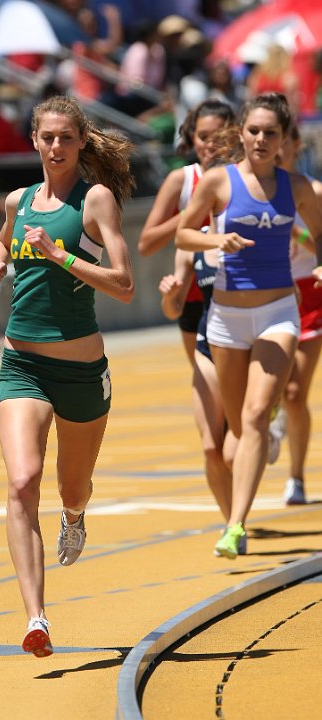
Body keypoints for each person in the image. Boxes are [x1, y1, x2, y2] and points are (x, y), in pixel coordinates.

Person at [0, 95, 135, 657]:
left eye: (65, 138)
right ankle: (36, 618)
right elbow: (4, 236)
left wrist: (61, 256)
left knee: (72, 486)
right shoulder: (18, 199)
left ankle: (75, 515)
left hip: (81, 371)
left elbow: (124, 283)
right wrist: (0, 257)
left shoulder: (94, 200)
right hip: (21, 362)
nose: (55, 147)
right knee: (22, 481)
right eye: (46, 137)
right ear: (34, 140)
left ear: (80, 142)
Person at [176, 92, 322, 559]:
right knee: (239, 426)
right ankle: (263, 428)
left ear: (283, 139)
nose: (261, 139)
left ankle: (236, 525)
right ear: (241, 133)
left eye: (271, 133)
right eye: (254, 131)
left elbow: (319, 235)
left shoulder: (297, 186)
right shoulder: (219, 182)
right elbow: (182, 232)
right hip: (226, 318)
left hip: (279, 312)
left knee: (257, 416)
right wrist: (218, 238)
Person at [139, 99, 236, 365]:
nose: (210, 144)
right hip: (193, 296)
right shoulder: (181, 180)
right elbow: (146, 244)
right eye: (204, 137)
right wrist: (189, 213)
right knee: (206, 386)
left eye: (219, 136)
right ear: (192, 138)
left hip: (239, 291)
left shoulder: (244, 178)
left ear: (233, 135)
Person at [159, 244, 242, 550]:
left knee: (233, 453)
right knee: (211, 448)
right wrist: (170, 295)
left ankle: (264, 418)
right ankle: (233, 524)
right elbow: (173, 308)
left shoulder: (247, 230)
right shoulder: (189, 244)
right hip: (207, 343)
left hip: (244, 347)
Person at [276, 123, 322, 505]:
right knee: (272, 388)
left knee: (295, 392)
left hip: (308, 292)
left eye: (282, 140)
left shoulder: (312, 190)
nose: (275, 148)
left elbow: (317, 239)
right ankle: (271, 423)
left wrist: (295, 233)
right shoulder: (252, 188)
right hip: (267, 291)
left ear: (293, 145)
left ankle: (296, 477)